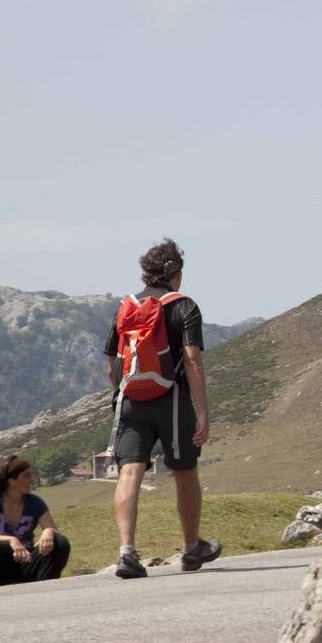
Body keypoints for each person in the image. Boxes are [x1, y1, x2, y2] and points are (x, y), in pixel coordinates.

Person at [103, 238, 221, 579]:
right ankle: (191, 547)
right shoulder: (184, 306)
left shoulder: (125, 306)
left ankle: (127, 551)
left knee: (129, 473)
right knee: (184, 472)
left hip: (130, 402)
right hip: (172, 402)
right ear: (177, 273)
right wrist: (202, 412)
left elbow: (113, 361)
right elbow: (192, 360)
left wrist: (119, 397)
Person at [0, 456, 71, 587]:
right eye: (27, 476)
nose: (32, 480)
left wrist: (49, 531)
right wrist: (11, 540)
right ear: (12, 481)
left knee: (60, 542)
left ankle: (46, 590)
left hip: (26, 563)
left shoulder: (35, 503)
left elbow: (55, 532)